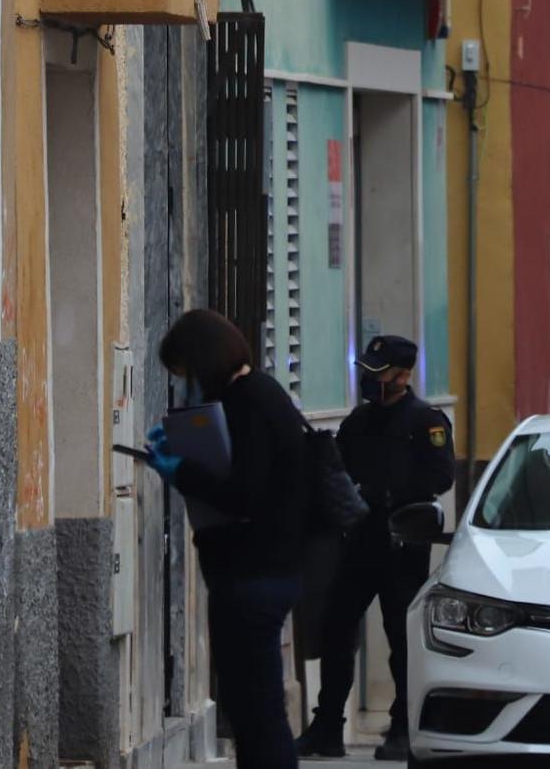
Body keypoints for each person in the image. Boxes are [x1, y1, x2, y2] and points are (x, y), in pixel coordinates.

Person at [147, 310, 310, 769]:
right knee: (248, 706)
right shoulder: (259, 396)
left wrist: (183, 472)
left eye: (186, 373)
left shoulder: (250, 401)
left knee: (256, 710)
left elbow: (245, 493)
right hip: (261, 573)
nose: (186, 385)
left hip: (254, 577)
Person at [297, 334, 455, 762]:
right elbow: (340, 471)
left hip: (402, 543)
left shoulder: (427, 422)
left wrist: (388, 493)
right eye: (364, 372)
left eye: (377, 373)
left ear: (403, 376)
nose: (368, 380)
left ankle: (403, 727)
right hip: (359, 541)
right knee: (336, 628)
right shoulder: (357, 422)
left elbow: (441, 477)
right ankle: (328, 725)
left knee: (400, 638)